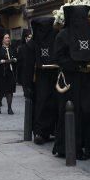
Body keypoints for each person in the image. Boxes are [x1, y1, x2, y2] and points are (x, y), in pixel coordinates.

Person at [52, 5, 90, 160]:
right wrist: (75, 65)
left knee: (89, 111)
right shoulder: (63, 35)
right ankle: (70, 147)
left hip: (89, 79)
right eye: (79, 18)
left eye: (84, 18)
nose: (82, 21)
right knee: (73, 111)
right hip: (72, 80)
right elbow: (59, 57)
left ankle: (89, 146)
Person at [30, 17, 60, 145]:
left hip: (46, 75)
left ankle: (43, 132)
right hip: (47, 75)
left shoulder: (36, 39)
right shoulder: (54, 36)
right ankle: (43, 131)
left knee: (45, 103)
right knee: (46, 102)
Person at [0, 33, 17, 115]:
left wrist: (15, 59)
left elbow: (16, 57)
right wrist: (0, 61)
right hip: (0, 74)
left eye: (9, 37)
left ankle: (9, 108)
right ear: (3, 40)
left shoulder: (12, 49)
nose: (8, 39)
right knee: (0, 92)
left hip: (10, 73)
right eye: (6, 38)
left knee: (10, 92)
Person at [17, 30, 35, 99]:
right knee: (26, 91)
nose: (30, 38)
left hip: (32, 70)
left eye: (31, 37)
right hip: (24, 71)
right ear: (25, 38)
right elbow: (20, 61)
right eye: (28, 37)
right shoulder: (22, 48)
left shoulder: (34, 47)